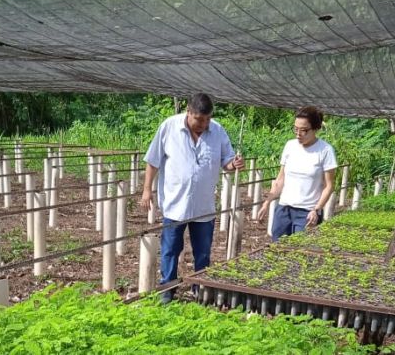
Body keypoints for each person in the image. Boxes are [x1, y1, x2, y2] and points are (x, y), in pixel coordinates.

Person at [141, 93, 244, 303]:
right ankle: (167, 290)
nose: (204, 124)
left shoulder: (217, 131)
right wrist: (146, 190)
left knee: (203, 252)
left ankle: (201, 290)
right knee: (170, 250)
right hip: (174, 204)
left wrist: (234, 165)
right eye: (199, 119)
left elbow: (227, 161)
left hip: (204, 207)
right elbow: (153, 161)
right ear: (188, 112)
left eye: (207, 119)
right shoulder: (169, 128)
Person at [258, 106, 337, 241]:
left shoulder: (325, 150)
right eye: (295, 129)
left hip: (307, 213)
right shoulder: (290, 146)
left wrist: (316, 209)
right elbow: (280, 179)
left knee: (301, 253)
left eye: (304, 130)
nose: (298, 134)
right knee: (277, 250)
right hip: (284, 209)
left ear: (316, 128)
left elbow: (328, 186)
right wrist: (267, 202)